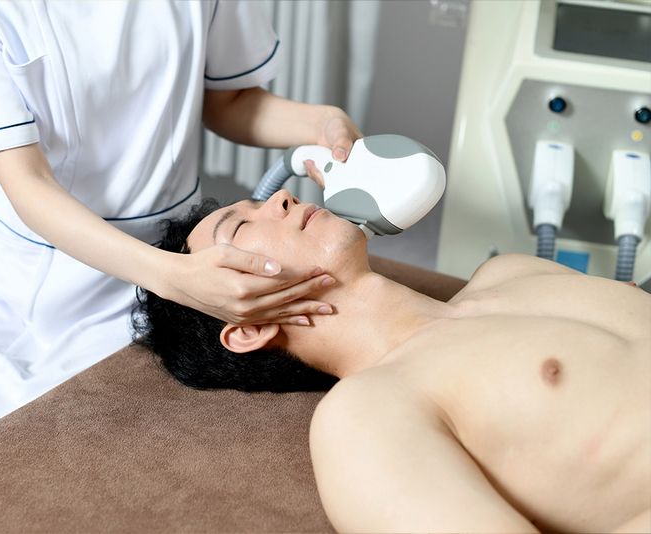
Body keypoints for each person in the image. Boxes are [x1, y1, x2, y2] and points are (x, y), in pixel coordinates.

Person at [0, 2, 372, 532]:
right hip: (6, 279)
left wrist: (322, 123)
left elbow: (230, 102)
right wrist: (171, 278)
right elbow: (27, 181)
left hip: (151, 280)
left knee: (67, 492)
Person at [133, 190, 651, 533]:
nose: (281, 197)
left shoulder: (512, 271)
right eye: (242, 227)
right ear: (248, 328)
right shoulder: (367, 414)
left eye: (260, 200)